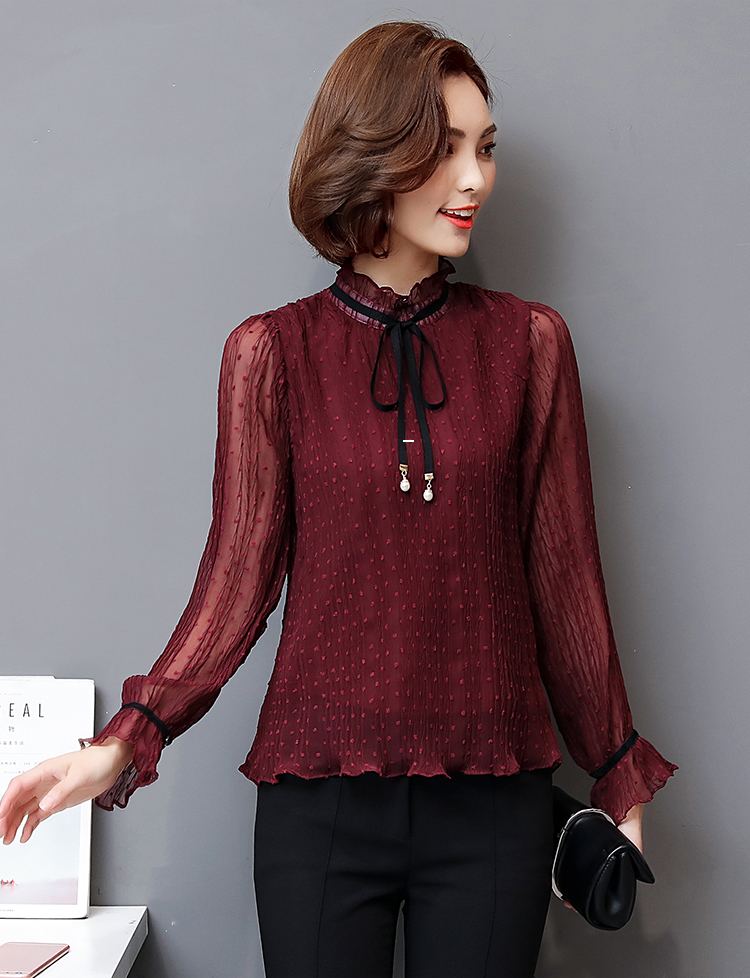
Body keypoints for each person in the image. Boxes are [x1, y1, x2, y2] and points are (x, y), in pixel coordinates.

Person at [0, 21, 677, 978]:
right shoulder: (272, 354)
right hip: (317, 801)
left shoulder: (530, 346)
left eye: (485, 148)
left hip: (495, 801)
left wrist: (617, 774)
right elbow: (234, 583)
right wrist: (124, 743)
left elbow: (566, 578)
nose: (475, 179)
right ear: (373, 153)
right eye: (444, 149)